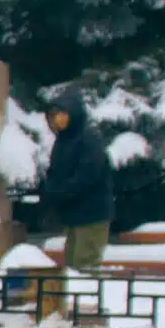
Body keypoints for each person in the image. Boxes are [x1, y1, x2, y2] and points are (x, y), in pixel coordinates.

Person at [43, 87, 113, 271]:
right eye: (53, 115)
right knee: (73, 267)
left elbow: (88, 174)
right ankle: (76, 299)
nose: (56, 119)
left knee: (85, 265)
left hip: (91, 215)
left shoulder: (88, 138)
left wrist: (62, 192)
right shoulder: (62, 141)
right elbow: (55, 172)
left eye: (61, 114)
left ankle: (85, 300)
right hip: (74, 215)